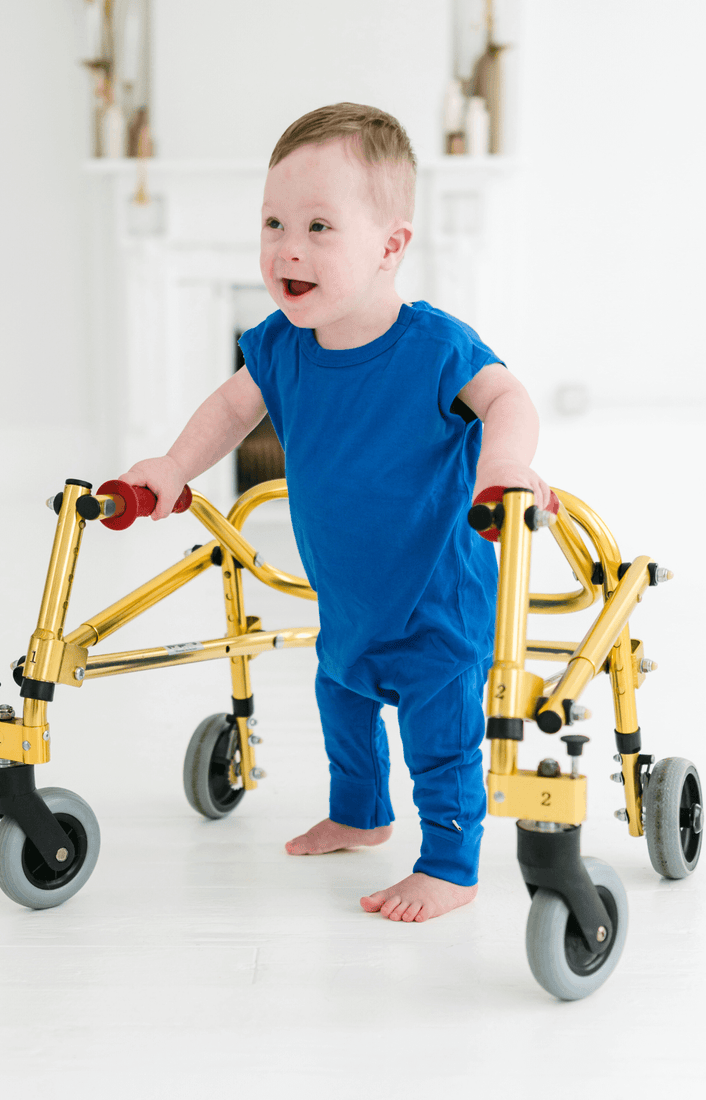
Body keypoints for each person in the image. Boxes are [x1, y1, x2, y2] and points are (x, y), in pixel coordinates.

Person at [119, 103, 549, 923]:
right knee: (341, 694)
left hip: (436, 596)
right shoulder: (280, 343)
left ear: (391, 246)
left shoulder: (433, 347)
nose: (288, 247)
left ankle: (452, 863)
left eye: (320, 226)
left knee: (438, 732)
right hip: (351, 596)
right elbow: (230, 409)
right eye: (274, 222)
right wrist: (173, 467)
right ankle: (361, 813)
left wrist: (505, 464)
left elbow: (506, 396)